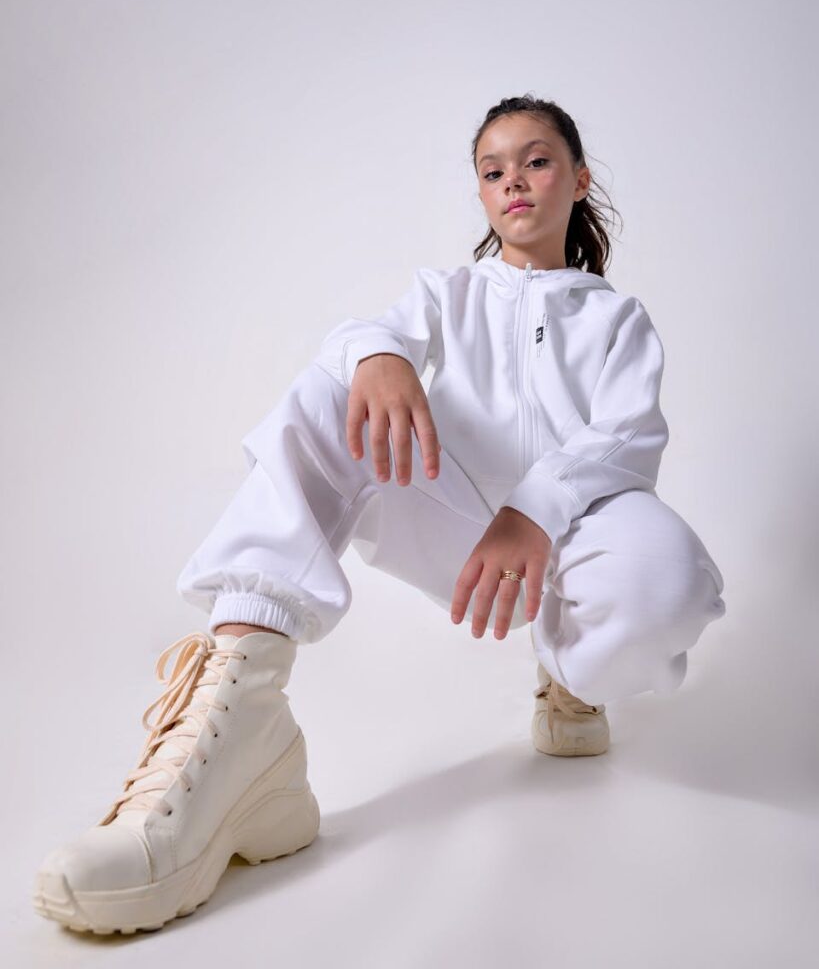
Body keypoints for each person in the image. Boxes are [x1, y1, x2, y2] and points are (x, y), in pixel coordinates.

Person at [32, 93, 726, 935]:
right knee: (336, 393)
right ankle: (244, 709)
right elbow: (362, 335)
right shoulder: (448, 293)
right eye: (492, 170)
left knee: (669, 579)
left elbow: (626, 435)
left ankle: (570, 675)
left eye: (536, 161)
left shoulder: (616, 317)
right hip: (458, 532)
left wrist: (535, 509)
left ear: (578, 180)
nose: (513, 181)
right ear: (480, 192)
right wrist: (379, 353)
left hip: (571, 538)